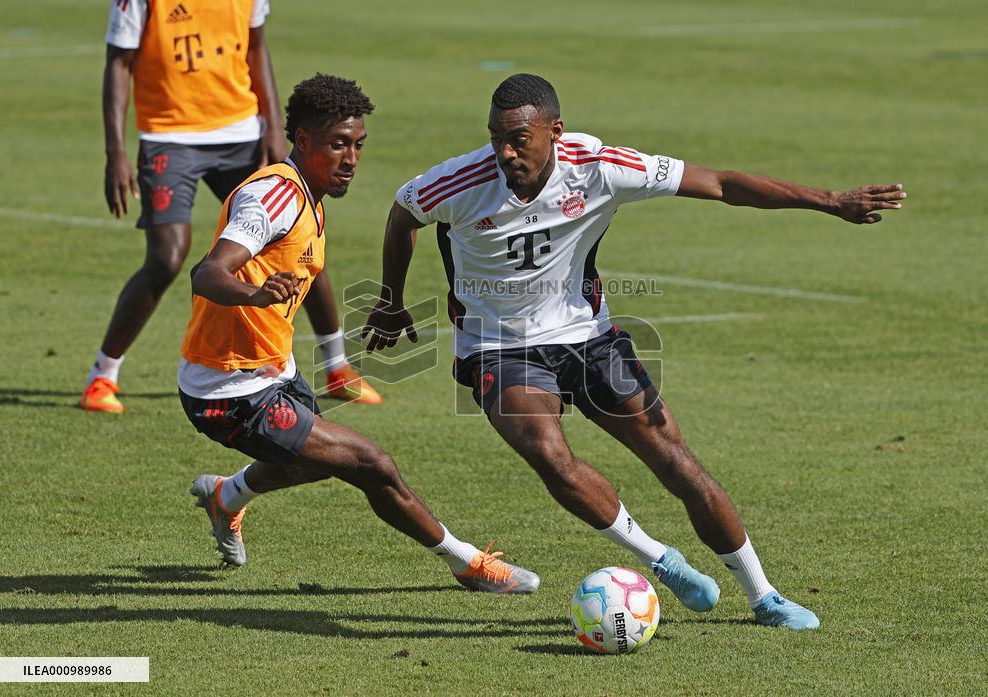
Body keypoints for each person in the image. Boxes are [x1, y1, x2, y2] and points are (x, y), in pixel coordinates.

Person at [363, 73, 908, 629]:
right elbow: (403, 214)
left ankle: (763, 595)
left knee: (676, 461)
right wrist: (390, 300)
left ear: (555, 131)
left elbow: (720, 183)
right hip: (498, 348)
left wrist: (830, 201)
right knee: (551, 457)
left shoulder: (599, 166)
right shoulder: (456, 182)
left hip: (589, 339)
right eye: (496, 138)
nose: (504, 152)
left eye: (518, 139)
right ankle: (661, 561)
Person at [180, 73, 538, 595]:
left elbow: (310, 273)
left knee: (311, 465)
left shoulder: (309, 196)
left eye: (358, 145)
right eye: (338, 145)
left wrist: (338, 352)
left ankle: (226, 496)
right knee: (371, 464)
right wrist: (253, 295)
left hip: (274, 372)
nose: (351, 158)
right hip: (228, 391)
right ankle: (468, 564)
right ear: (302, 141)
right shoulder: (271, 200)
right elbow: (208, 272)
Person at [82, 0, 381, 414]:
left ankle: (336, 366)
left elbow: (256, 47)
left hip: (241, 131)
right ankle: (103, 374)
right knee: (167, 257)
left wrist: (274, 128)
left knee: (297, 239)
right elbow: (119, 63)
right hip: (169, 135)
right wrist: (115, 150)